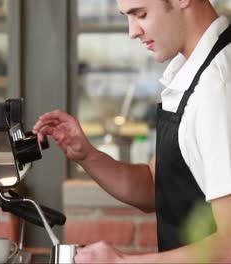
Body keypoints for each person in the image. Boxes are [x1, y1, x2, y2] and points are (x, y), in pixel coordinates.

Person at [32, 0, 231, 262]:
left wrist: (121, 262)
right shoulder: (194, 69)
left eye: (141, 14)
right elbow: (155, 186)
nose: (132, 31)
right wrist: (88, 155)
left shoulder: (216, 87)